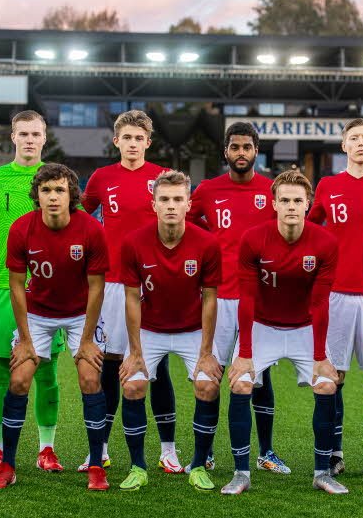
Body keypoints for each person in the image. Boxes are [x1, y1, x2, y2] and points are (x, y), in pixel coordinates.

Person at [0, 164, 109, 490]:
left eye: (60, 191)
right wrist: (25, 339)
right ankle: (8, 466)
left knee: (90, 376)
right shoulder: (21, 229)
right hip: (38, 313)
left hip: (81, 313)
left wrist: (86, 341)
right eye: (46, 191)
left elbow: (97, 288)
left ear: (71, 196)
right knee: (19, 379)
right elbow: (16, 285)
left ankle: (97, 465)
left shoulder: (92, 230)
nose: (53, 197)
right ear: (36, 196)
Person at [223, 170, 347, 495]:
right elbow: (246, 298)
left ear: (308, 204)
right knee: (240, 384)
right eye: (285, 200)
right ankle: (240, 473)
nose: (291, 206)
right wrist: (246, 353)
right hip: (263, 326)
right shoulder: (253, 239)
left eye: (297, 200)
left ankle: (322, 473)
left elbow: (320, 303)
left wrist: (320, 357)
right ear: (274, 204)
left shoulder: (325, 242)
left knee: (326, 386)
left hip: (305, 328)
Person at [0, 110, 67, 473]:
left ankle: (46, 448)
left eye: (36, 133)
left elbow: (75, 227)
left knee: (46, 372)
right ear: (13, 137)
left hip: (47, 292)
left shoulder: (56, 179)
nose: (30, 139)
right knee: (0, 370)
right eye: (23, 133)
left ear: (44, 137)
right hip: (5, 288)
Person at [186, 121, 289, 474]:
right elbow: (185, 223)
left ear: (256, 151)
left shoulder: (271, 190)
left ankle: (267, 452)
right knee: (210, 375)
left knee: (259, 377)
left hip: (258, 300)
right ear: (226, 151)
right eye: (235, 147)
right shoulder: (209, 190)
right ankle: (205, 455)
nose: (241, 153)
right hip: (217, 297)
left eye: (247, 147)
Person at [80, 110, 179, 473]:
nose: (133, 144)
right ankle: (100, 448)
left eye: (140, 138)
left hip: (154, 284)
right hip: (112, 284)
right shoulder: (102, 178)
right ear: (116, 140)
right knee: (109, 365)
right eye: (128, 138)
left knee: (158, 365)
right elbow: (81, 216)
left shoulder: (161, 179)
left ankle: (168, 449)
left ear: (147, 143)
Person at [117, 170, 222, 491]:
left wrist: (206, 353)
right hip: (150, 330)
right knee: (132, 385)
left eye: (178, 199)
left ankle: (199, 465)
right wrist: (134, 352)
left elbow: (210, 299)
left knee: (208, 385)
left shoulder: (207, 243)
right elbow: (132, 300)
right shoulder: (133, 243)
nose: (172, 206)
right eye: (165, 200)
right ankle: (137, 467)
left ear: (189, 204)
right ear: (154, 205)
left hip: (192, 330)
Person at [308, 118, 363, 477]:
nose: (360, 143)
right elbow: (309, 229)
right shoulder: (328, 185)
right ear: (343, 145)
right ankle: (334, 452)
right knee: (335, 376)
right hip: (338, 296)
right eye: (354, 138)